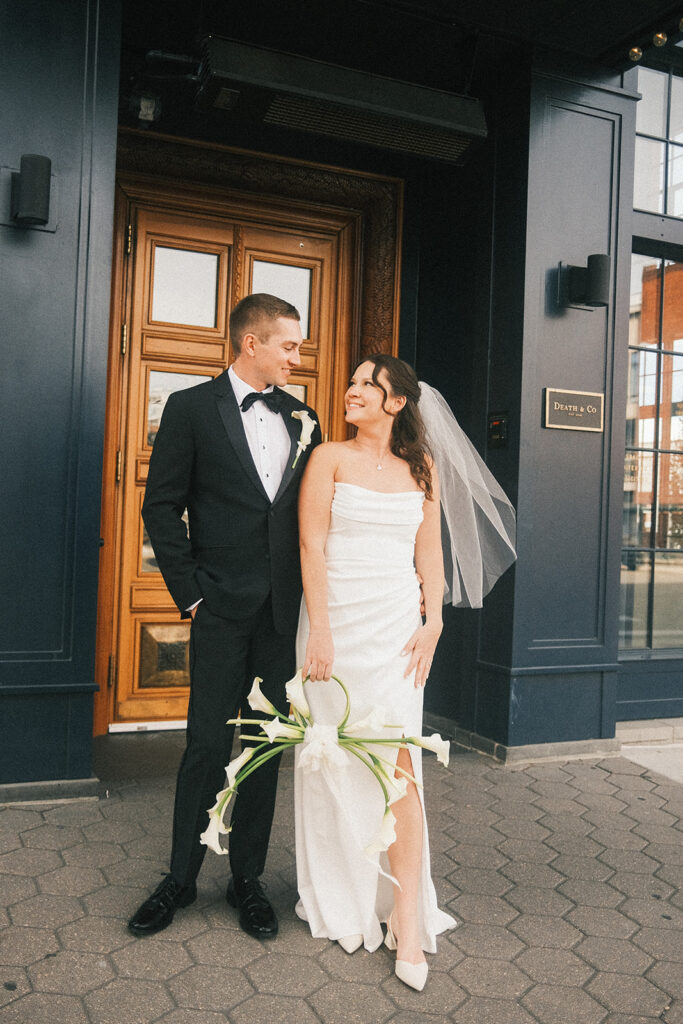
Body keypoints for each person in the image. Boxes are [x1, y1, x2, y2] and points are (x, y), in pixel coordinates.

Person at [128, 293, 321, 939]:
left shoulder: (303, 418)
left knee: (265, 746)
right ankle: (180, 879)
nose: (297, 357)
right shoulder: (189, 408)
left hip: (280, 614)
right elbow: (161, 506)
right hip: (218, 608)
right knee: (207, 745)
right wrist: (191, 594)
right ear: (251, 343)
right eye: (289, 345)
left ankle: (247, 881)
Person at [294, 354, 456, 992]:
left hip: (395, 631)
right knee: (335, 758)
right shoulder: (328, 457)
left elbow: (429, 550)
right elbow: (311, 545)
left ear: (397, 402)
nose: (352, 390)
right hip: (335, 625)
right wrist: (321, 630)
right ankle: (347, 894)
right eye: (353, 381)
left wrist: (434, 619)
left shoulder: (422, 468)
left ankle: (406, 920)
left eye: (368, 384)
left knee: (399, 762)